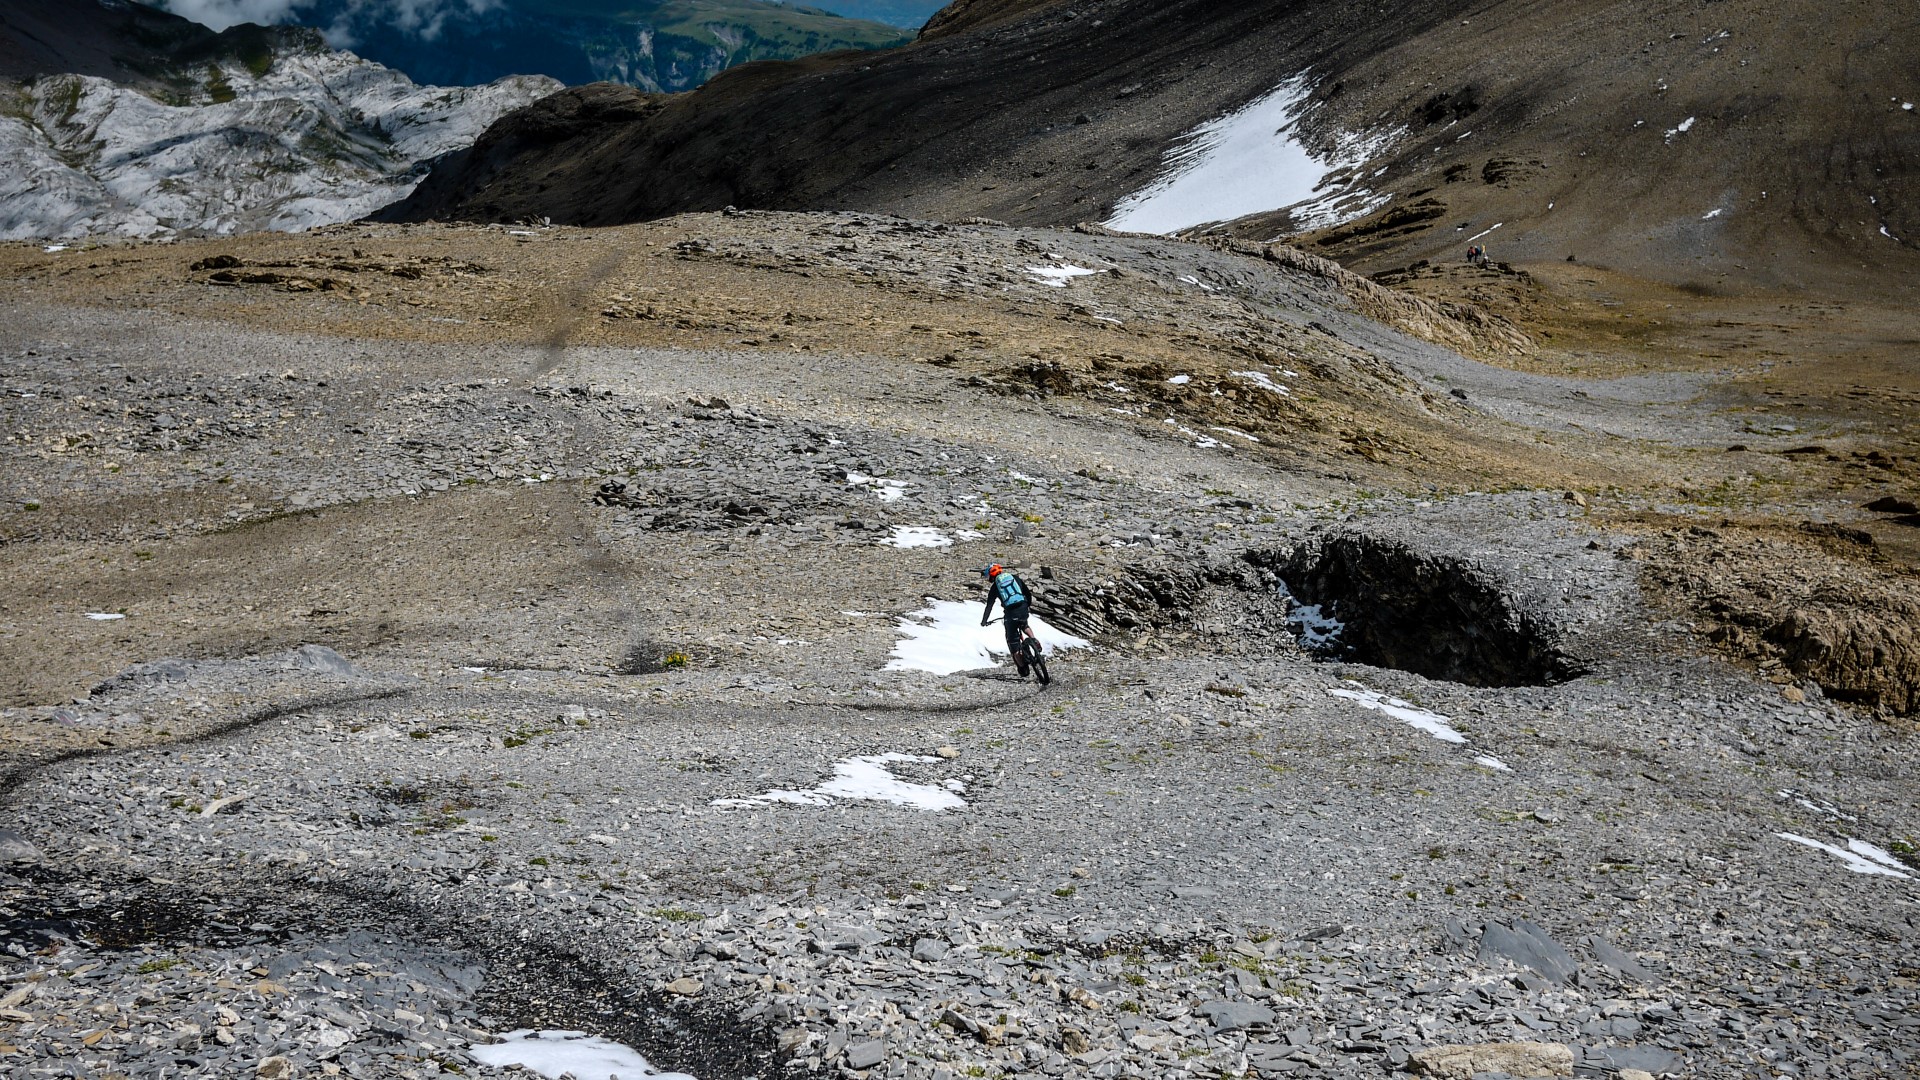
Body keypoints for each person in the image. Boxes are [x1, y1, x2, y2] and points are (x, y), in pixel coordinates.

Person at [979, 564, 1037, 676]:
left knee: (1012, 641)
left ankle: (1023, 668)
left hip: (1011, 613)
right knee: (1025, 625)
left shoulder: (995, 586)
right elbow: (1027, 593)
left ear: (991, 576)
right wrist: (1027, 605)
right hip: (1023, 608)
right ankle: (1034, 640)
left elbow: (989, 606)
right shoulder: (1015, 578)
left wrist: (984, 621)